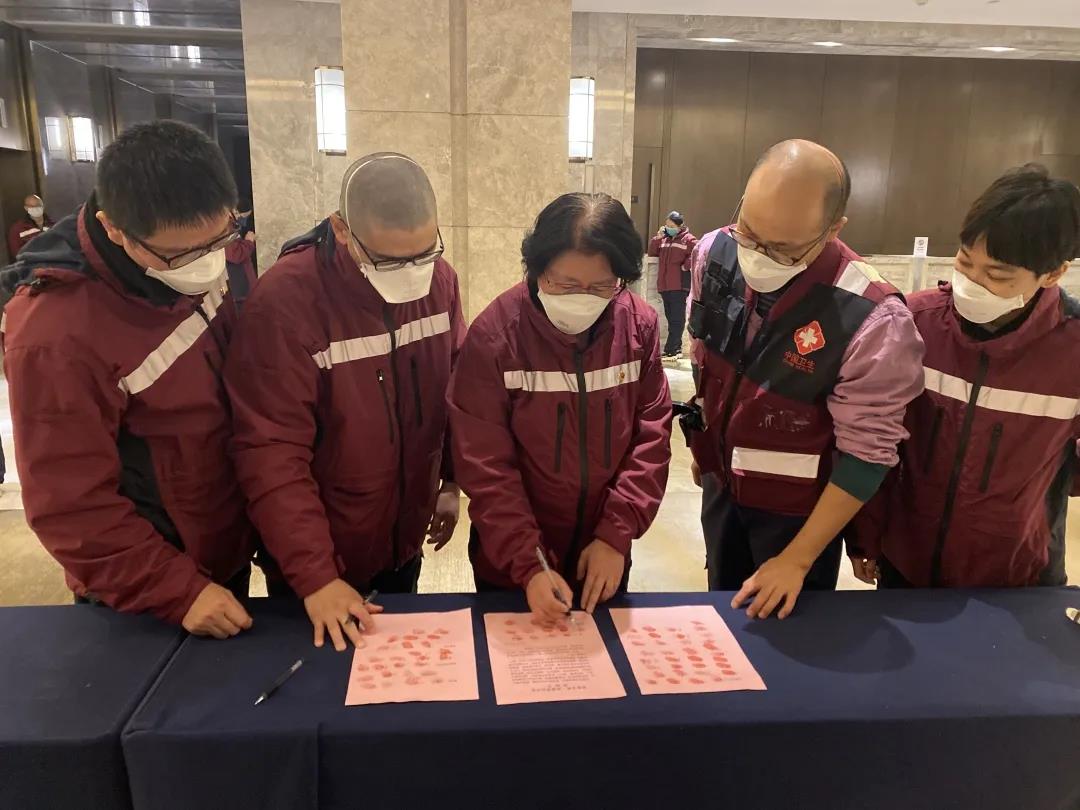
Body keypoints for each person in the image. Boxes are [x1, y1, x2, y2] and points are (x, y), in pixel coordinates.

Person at [0, 121, 257, 637]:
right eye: (180, 255)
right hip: (144, 581)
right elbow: (70, 506)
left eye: (219, 239)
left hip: (221, 543)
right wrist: (176, 589)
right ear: (115, 228)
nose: (206, 265)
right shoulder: (57, 334)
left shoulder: (205, 244)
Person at [225, 153, 465, 652]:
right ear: (341, 230)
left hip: (402, 535)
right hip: (319, 554)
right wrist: (315, 576)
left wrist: (449, 480)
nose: (410, 274)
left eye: (424, 253)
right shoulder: (286, 302)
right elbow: (271, 452)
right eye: (388, 260)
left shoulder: (439, 282)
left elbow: (455, 390)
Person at [683, 139, 924, 619]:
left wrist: (797, 559)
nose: (757, 255)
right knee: (722, 617)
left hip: (796, 518)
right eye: (750, 232)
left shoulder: (871, 316)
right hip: (723, 489)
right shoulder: (713, 251)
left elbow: (867, 455)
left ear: (833, 229)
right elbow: (705, 352)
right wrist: (708, 445)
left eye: (784, 249)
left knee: (786, 634)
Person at [848, 164, 1080, 589]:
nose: (972, 283)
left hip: (1017, 577)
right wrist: (865, 537)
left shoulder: (1072, 350)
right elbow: (875, 443)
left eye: (997, 275)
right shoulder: (913, 322)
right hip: (907, 562)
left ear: (1052, 274)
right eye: (965, 261)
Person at [449, 193, 673, 621]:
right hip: (513, 563)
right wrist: (529, 562)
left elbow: (652, 436)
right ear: (537, 269)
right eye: (565, 284)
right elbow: (484, 464)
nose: (582, 298)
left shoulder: (638, 327)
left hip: (603, 556)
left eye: (601, 286)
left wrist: (615, 535)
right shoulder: (496, 337)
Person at [648, 210, 698, 361]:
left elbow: (697, 252)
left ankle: (672, 349)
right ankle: (675, 348)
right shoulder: (664, 239)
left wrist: (685, 266)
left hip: (679, 284)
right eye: (667, 225)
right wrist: (657, 238)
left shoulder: (688, 239)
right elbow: (652, 252)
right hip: (665, 284)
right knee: (670, 317)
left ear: (679, 226)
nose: (668, 228)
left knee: (676, 318)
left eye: (671, 226)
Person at [7, 194, 53, 259]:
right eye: (32, 206)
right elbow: (17, 254)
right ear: (26, 208)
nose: (35, 208)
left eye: (38, 205)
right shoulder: (17, 229)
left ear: (43, 206)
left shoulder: (54, 225)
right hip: (32, 263)